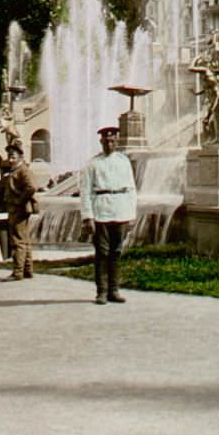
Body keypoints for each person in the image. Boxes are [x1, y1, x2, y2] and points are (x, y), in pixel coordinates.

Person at [80, 127, 137, 305]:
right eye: (106, 141)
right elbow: (85, 191)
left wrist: (131, 214)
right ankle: (102, 291)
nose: (109, 144)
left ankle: (114, 290)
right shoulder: (93, 164)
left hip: (120, 210)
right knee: (102, 253)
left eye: (112, 141)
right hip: (101, 211)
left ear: (117, 142)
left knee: (116, 252)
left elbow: (131, 188)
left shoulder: (123, 161)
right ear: (101, 142)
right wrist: (88, 217)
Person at [0, 140, 37, 281]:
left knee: (17, 240)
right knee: (24, 239)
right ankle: (27, 269)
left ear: (20, 157)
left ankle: (18, 272)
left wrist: (20, 200)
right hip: (17, 208)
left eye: (13, 156)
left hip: (18, 209)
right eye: (9, 156)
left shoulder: (22, 170)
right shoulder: (16, 169)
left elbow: (32, 187)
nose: (10, 159)